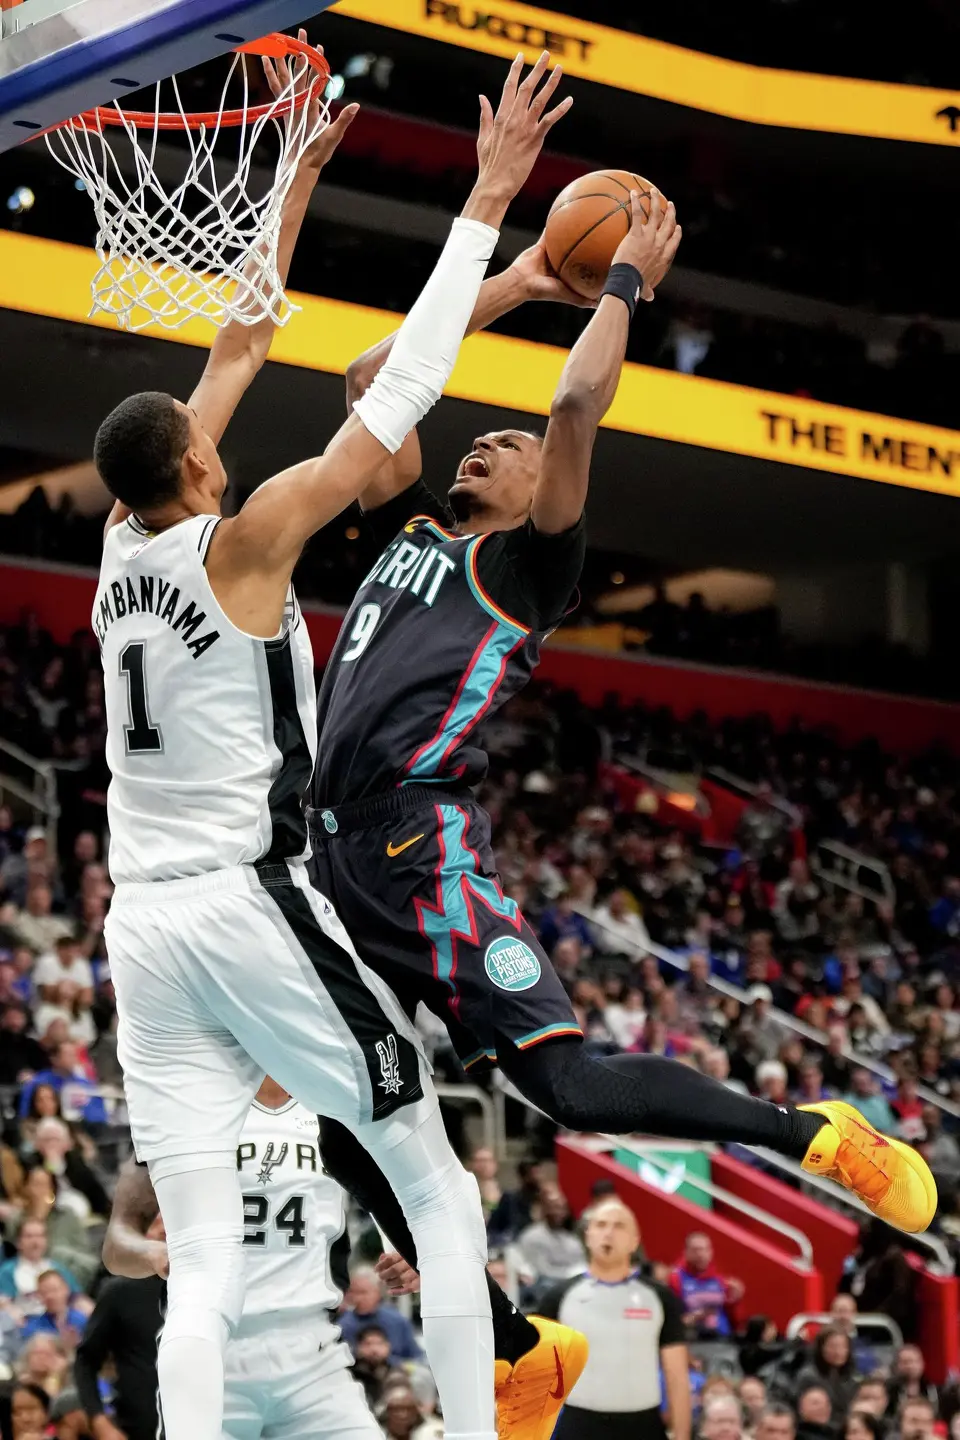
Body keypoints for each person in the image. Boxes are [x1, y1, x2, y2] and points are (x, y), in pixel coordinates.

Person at [303, 119, 935, 1440]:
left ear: (544, 494)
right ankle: (514, 1333)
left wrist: (625, 288)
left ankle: (809, 1127)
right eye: (476, 439)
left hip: (421, 852)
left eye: (505, 447)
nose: (482, 442)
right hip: (321, 856)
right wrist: (527, 278)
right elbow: (379, 369)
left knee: (572, 1089)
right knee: (320, 1108)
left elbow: (577, 405)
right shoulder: (409, 518)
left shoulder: (528, 570)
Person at [89, 52, 570, 1440]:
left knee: (197, 1255)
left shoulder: (121, 537)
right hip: (244, 901)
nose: (214, 417)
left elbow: (239, 347)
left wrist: (288, 193)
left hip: (141, 929)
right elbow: (401, 392)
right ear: (190, 467)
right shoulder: (240, 545)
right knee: (434, 1178)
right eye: (198, 431)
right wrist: (485, 201)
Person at [90, 1076, 414, 1440]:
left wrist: (406, 1248)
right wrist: (152, 1253)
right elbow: (116, 1245)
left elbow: (398, 1190)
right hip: (214, 1347)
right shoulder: (188, 1111)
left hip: (313, 1352)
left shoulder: (334, 1109)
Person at [539, 1198, 690, 1440]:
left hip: (642, 1426)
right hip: (578, 1425)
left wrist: (682, 1436)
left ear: (634, 1242)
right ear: (588, 1236)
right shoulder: (559, 1297)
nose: (608, 1233)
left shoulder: (660, 1298)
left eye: (619, 1226)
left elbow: (677, 1376)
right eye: (600, 1225)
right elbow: (534, 1375)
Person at [668, 1232, 743, 1339]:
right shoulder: (675, 1279)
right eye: (695, 1250)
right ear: (685, 1253)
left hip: (723, 1339)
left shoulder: (720, 1280)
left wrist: (735, 1301)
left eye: (704, 1249)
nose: (700, 1254)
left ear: (711, 1252)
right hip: (693, 1339)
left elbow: (735, 1319)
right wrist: (695, 1317)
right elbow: (672, 1319)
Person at [339, 1267, 423, 1363]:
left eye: (363, 1292)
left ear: (377, 1292)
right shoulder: (342, 1325)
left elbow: (417, 1358)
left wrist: (388, 1361)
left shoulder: (397, 1321)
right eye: (353, 1292)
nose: (357, 1298)